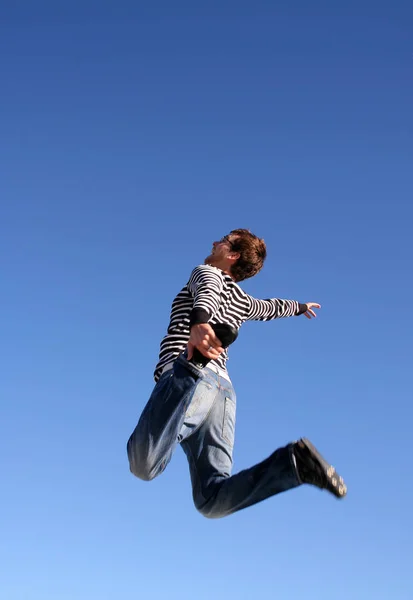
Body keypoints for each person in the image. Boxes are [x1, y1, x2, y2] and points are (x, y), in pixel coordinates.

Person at [127, 229, 347, 518]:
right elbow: (269, 308)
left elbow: (206, 290)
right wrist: (299, 307)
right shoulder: (243, 300)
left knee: (143, 463)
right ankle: (292, 464)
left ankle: (194, 363)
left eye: (223, 241)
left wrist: (200, 323)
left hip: (192, 378)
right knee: (212, 499)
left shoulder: (207, 272)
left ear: (232, 255)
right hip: (223, 394)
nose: (214, 242)